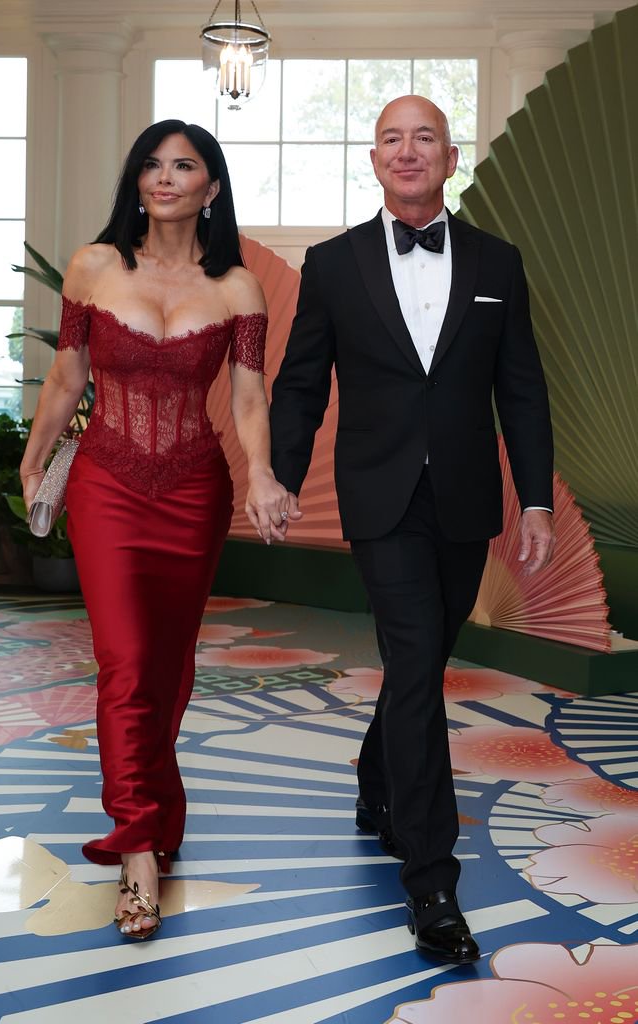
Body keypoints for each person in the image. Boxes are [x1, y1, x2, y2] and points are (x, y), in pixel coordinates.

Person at [269, 95, 555, 965]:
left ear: (448, 156)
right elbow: (300, 381)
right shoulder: (332, 262)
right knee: (416, 664)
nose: (407, 150)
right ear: (373, 158)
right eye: (391, 137)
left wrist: (534, 499)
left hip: (466, 499)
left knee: (417, 660)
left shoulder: (498, 261)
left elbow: (522, 389)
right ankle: (431, 882)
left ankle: (373, 780)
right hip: (380, 497)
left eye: (423, 136)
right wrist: (277, 475)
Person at [20, 119, 290, 940]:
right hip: (105, 482)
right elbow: (68, 378)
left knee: (169, 668)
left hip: (192, 490)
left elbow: (247, 398)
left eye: (184, 166)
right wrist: (35, 463)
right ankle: (137, 853)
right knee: (126, 662)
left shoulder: (238, 287)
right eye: (151, 164)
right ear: (135, 181)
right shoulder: (95, 266)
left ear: (211, 185)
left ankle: (159, 813)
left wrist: (265, 476)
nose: (164, 178)